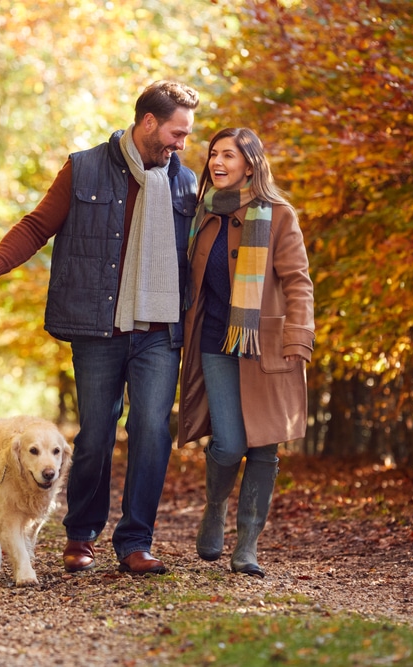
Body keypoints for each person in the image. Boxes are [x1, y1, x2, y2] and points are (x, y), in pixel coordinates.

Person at [0, 81, 200, 575]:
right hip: (98, 326)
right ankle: (82, 534)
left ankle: (136, 541)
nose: (182, 144)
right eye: (177, 132)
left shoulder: (185, 182)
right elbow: (35, 225)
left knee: (152, 429)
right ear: (148, 123)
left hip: (159, 329)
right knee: (95, 434)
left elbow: (208, 247)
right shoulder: (84, 167)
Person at [177, 127, 314, 577]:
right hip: (216, 342)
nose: (217, 162)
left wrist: (300, 335)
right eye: (213, 154)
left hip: (266, 346)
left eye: (228, 156)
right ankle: (214, 508)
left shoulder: (278, 215)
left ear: (250, 163)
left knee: (264, 450)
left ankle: (247, 547)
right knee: (229, 442)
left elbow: (297, 282)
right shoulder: (202, 214)